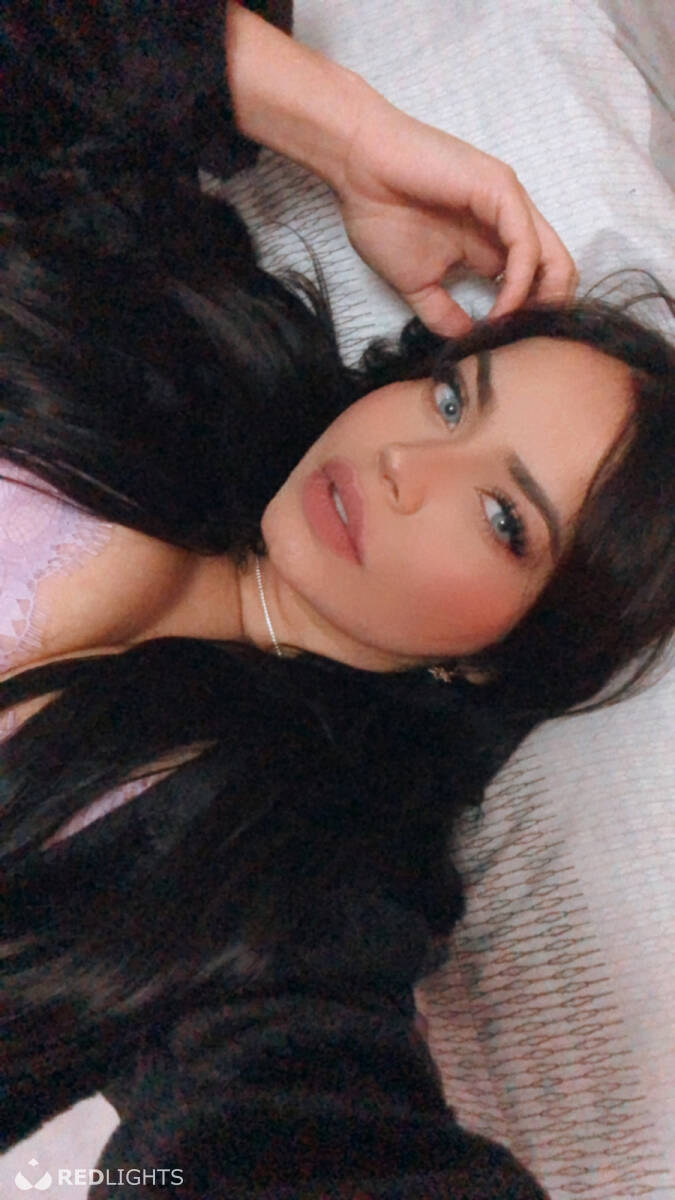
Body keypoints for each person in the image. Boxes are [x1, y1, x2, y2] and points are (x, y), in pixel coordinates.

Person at [1, 2, 673, 1197]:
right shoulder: (172, 330)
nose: (410, 462)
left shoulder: (301, 882)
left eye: (503, 518)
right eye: (455, 400)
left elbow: (295, 1129)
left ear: (495, 659)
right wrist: (349, 132)